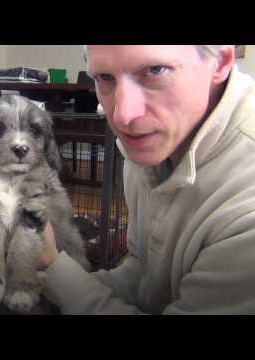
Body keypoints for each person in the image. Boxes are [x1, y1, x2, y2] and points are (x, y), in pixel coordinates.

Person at [39, 45, 255, 315]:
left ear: (221, 61)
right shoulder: (153, 141)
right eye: (104, 78)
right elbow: (146, 273)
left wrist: (52, 266)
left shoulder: (248, 205)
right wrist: (54, 283)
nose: (122, 115)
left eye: (155, 70)